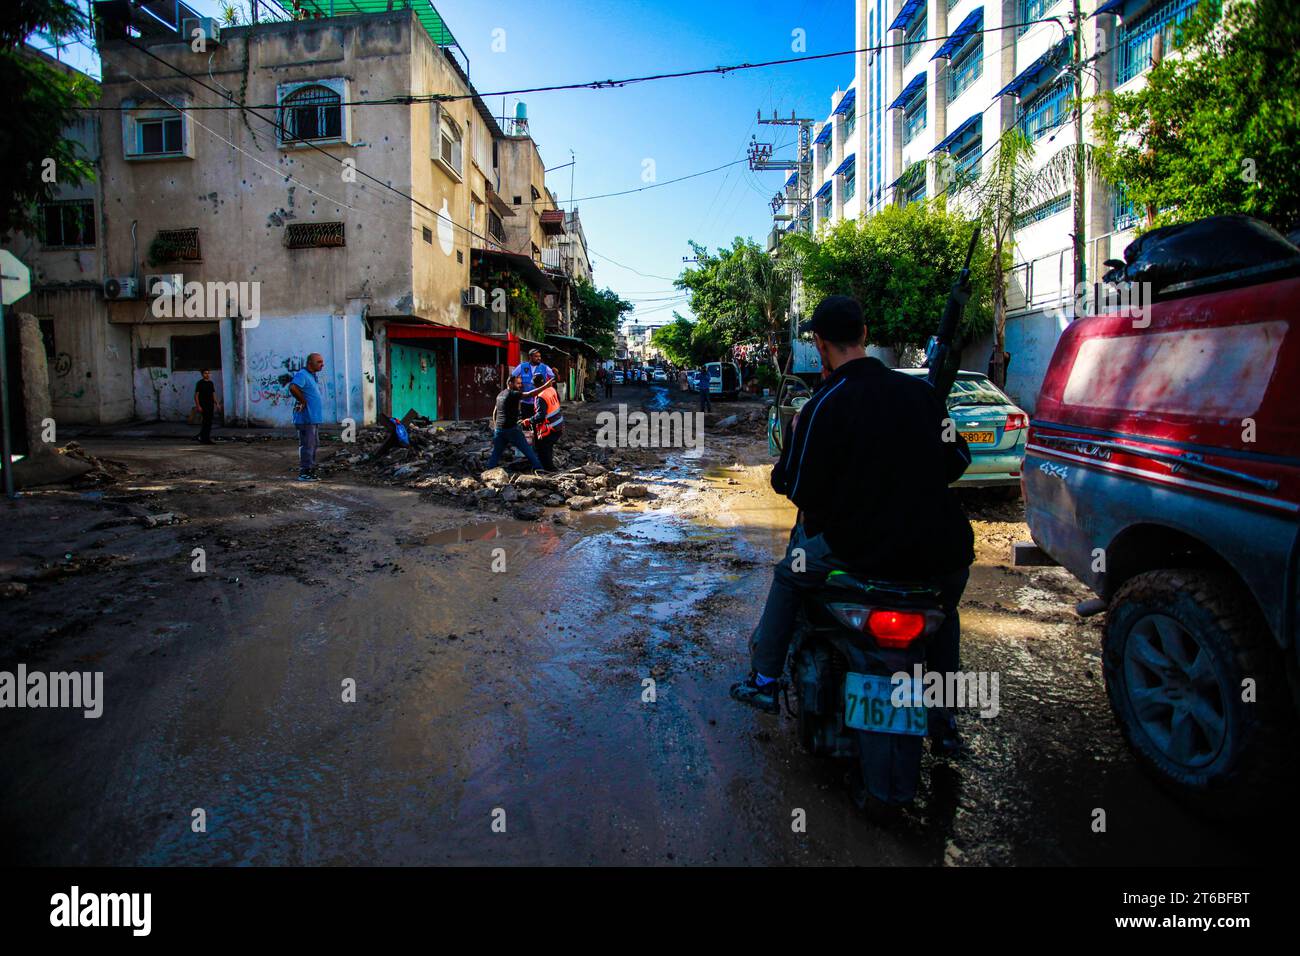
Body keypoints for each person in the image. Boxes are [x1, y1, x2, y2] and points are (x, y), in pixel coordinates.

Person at [729, 296, 975, 754]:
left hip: (858, 549)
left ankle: (764, 679)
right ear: (864, 335)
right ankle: (943, 722)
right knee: (945, 613)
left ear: (820, 345)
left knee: (789, 576)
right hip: (943, 551)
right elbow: (958, 460)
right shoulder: (922, 395)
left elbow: (796, 487)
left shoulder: (823, 406)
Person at [486, 374, 544, 470]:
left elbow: (494, 412)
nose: (520, 385)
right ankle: (539, 468)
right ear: (510, 383)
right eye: (517, 383)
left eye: (520, 383)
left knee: (496, 453)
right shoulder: (512, 394)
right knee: (527, 450)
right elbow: (530, 394)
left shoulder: (500, 394)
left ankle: (489, 470)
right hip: (511, 430)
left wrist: (496, 427)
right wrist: (546, 386)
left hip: (499, 430)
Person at [288, 352, 326, 482]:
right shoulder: (302, 375)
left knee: (313, 444)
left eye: (322, 361)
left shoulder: (312, 376)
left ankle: (310, 470)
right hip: (306, 418)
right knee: (307, 445)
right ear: (310, 363)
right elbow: (293, 387)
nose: (322, 364)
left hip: (313, 418)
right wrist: (303, 401)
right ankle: (305, 472)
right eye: (319, 362)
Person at [530, 378, 565, 471]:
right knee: (548, 448)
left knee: (542, 448)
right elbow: (558, 401)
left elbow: (541, 416)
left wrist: (530, 420)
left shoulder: (540, 396)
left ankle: (549, 470)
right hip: (559, 424)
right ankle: (549, 466)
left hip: (550, 427)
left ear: (535, 386)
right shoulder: (551, 389)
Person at [511, 348, 555, 422]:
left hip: (539, 401)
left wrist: (547, 387)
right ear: (530, 357)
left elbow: (553, 378)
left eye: (539, 356)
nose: (539, 358)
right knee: (525, 422)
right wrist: (518, 386)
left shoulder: (544, 367)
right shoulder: (522, 366)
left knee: (537, 422)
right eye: (536, 356)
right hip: (525, 402)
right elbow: (512, 377)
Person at [193, 369, 220, 444]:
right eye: (205, 373)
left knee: (209, 422)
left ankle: (205, 438)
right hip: (203, 405)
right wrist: (198, 406)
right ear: (202, 374)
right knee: (206, 422)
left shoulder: (211, 383)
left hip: (210, 405)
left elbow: (213, 394)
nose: (207, 374)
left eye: (208, 373)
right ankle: (204, 439)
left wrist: (217, 404)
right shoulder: (200, 383)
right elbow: (196, 396)